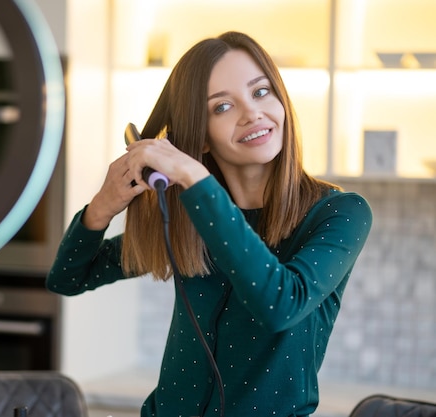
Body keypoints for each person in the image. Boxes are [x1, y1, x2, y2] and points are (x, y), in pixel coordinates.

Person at [46, 31, 372, 417]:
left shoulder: (340, 213)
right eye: (222, 107)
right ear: (198, 137)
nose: (252, 113)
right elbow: (67, 278)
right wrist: (103, 205)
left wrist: (193, 179)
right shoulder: (188, 218)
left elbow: (280, 305)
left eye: (261, 91)